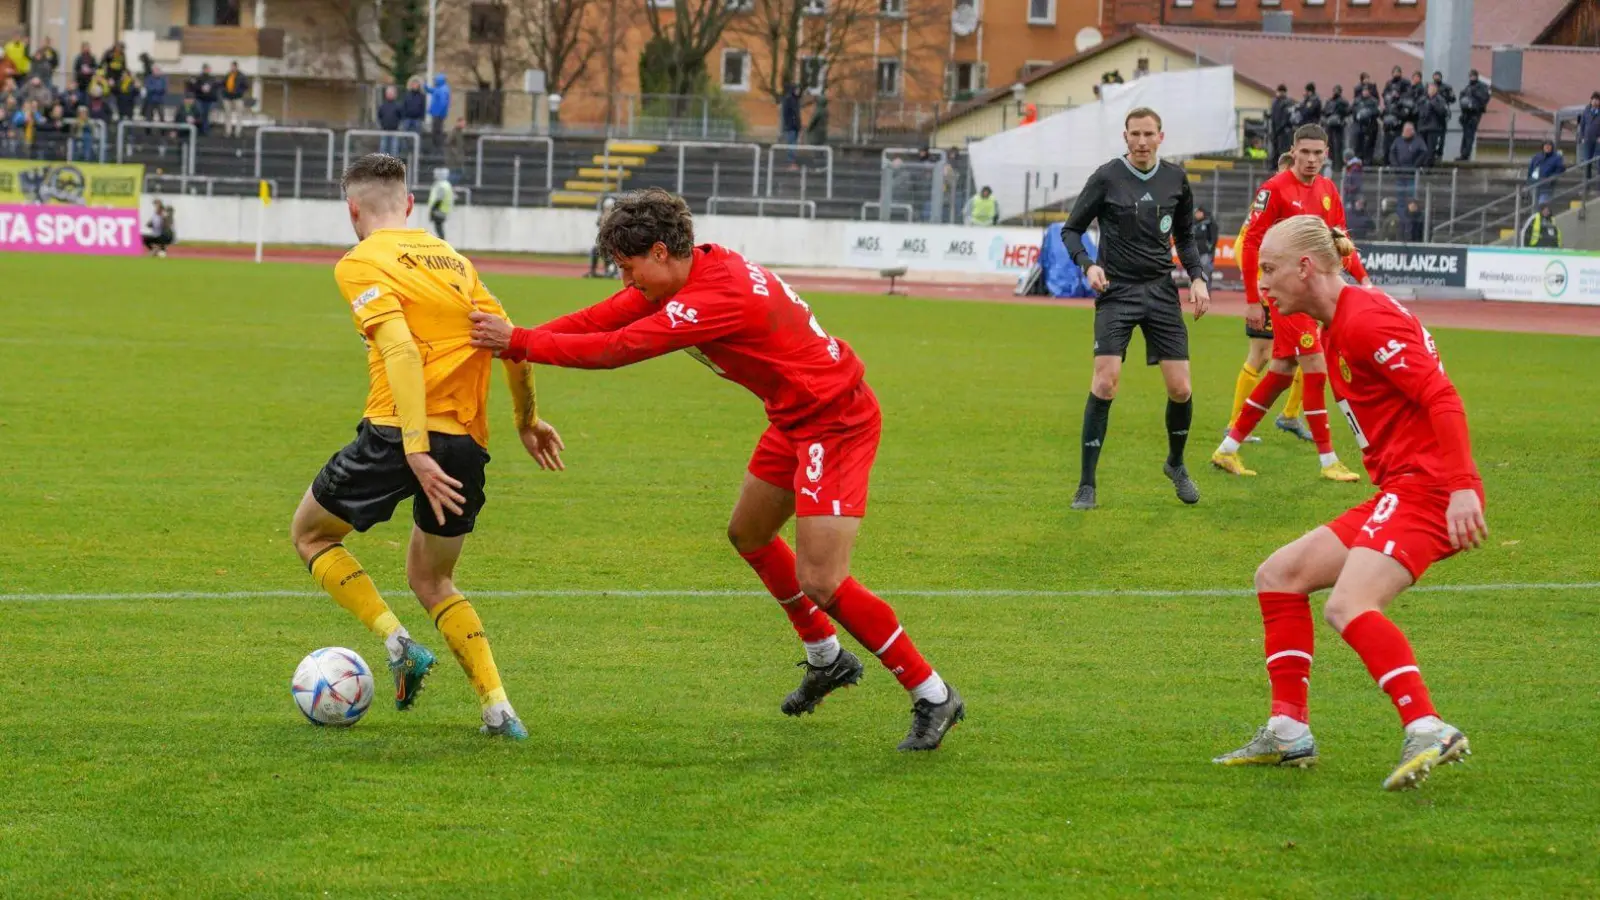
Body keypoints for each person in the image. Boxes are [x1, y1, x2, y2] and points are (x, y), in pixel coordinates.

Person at [467, 189, 965, 751]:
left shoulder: (713, 297)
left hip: (835, 422)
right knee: (749, 533)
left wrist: (521, 342)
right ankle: (826, 657)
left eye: (629, 268)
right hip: (794, 417)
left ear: (660, 252)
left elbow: (618, 347)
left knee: (822, 579)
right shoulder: (692, 271)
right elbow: (603, 317)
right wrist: (517, 342)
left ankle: (932, 693)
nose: (627, 282)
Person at [290, 153, 566, 742]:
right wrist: (527, 420)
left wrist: (413, 446)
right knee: (434, 580)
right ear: (411, 204)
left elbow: (401, 350)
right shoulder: (455, 262)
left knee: (311, 535)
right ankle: (498, 710)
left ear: (353, 210)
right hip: (464, 443)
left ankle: (397, 642)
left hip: (397, 433)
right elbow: (510, 342)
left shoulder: (361, 261)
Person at [1213, 214, 1485, 791]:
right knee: (1279, 575)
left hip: (1429, 488)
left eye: (1269, 269)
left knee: (1348, 604)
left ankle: (1427, 726)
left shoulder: (1363, 320)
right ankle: (1288, 731)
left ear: (1304, 267)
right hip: (1403, 488)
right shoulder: (1337, 319)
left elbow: (1441, 395)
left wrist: (1461, 485)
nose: (1262, 283)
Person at [1060, 107, 1211, 510]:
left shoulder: (1176, 179)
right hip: (1117, 291)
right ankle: (1086, 485)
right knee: (1105, 382)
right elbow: (1071, 230)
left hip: (1161, 292)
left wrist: (1197, 278)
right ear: (1125, 137)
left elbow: (1185, 236)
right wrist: (1088, 265)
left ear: (1161, 136)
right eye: (1135, 134)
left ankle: (1175, 464)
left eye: (1148, 134)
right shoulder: (1107, 176)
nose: (1142, 141)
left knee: (1181, 389)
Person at [1213, 124, 1368, 484]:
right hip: (1284, 294)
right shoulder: (1274, 189)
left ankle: (1227, 448)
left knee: (1281, 371)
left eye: (1318, 153)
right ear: (1293, 151)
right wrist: (1253, 300)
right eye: (1305, 152)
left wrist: (1364, 279)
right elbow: (1251, 242)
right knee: (1315, 364)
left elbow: (1340, 242)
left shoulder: (1328, 190)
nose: (1311, 159)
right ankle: (1328, 460)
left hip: (1311, 294)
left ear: (1326, 154)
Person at [1222, 151, 1309, 448]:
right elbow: (1243, 243)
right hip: (1270, 290)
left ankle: (1290, 415)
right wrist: (1259, 285)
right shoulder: (1270, 198)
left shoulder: (1302, 202)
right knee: (1260, 355)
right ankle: (1235, 424)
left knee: (1308, 351)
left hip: (1293, 290)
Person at [1455, 70, 1490, 162]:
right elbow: (1462, 96)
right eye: (1471, 76)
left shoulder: (1481, 86)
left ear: (1476, 76)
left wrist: (1475, 94)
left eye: (1473, 76)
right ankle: (1463, 153)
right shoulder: (1468, 87)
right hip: (1466, 113)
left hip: (1475, 113)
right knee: (1465, 134)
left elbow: (1485, 98)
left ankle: (1465, 154)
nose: (1472, 78)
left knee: (1470, 134)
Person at [1416, 82, 1449, 163]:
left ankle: (1428, 166)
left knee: (1431, 150)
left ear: (1436, 90)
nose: (1430, 90)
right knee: (1422, 149)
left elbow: (1443, 112)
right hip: (1422, 127)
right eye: (1429, 88)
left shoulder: (1440, 99)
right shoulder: (1423, 99)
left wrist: (1433, 103)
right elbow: (1418, 110)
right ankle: (1421, 164)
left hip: (1433, 128)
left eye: (1432, 88)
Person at [1527, 140, 1565, 206]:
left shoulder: (1557, 158)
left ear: (1552, 147)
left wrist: (1551, 178)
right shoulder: (1536, 157)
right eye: (1546, 145)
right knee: (1535, 206)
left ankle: (1544, 212)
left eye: (1549, 145)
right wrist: (1529, 180)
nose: (1547, 147)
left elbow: (1560, 169)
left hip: (1547, 186)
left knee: (1543, 205)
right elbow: (1530, 169)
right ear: (1543, 147)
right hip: (1534, 184)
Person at [221, 61, 249, 137]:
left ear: (236, 67)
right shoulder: (228, 75)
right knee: (227, 114)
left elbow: (246, 86)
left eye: (234, 66)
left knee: (239, 115)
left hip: (238, 98)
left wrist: (239, 92)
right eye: (231, 66)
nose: (232, 68)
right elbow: (223, 84)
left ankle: (238, 132)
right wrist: (224, 91)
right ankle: (228, 131)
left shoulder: (241, 76)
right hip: (227, 97)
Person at [1322, 85, 1348, 165]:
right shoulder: (1329, 101)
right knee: (1330, 144)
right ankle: (1331, 162)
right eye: (1335, 90)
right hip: (1329, 125)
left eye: (1337, 91)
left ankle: (1338, 164)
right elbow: (1324, 111)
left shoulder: (1343, 102)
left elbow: (1347, 112)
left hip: (1338, 126)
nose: (1335, 92)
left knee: (1338, 145)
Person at [188, 64, 217, 134]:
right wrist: (201, 88)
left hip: (209, 99)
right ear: (203, 69)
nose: (207, 70)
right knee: (200, 114)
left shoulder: (212, 78)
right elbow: (195, 87)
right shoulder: (199, 78)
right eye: (206, 69)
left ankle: (205, 129)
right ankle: (201, 129)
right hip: (200, 99)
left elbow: (214, 88)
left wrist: (210, 91)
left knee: (206, 115)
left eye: (208, 69)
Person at [1576, 92, 1600, 180]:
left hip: (1598, 141)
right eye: (1594, 100)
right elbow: (1582, 125)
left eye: (1597, 100)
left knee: (1598, 162)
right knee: (1587, 161)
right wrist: (1582, 137)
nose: (1595, 102)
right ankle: (1586, 183)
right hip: (1587, 140)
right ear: (1591, 100)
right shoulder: (1586, 111)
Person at [1269, 85, 1295, 161]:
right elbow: (1273, 116)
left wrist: (1279, 129)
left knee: (1283, 150)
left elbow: (1286, 118)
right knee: (1275, 151)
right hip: (1276, 130)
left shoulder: (1288, 102)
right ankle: (1274, 165)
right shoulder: (1275, 102)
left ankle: (1283, 165)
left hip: (1283, 131)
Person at [1192, 205, 1218, 280]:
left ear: (1202, 213)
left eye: (1198, 212)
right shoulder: (1194, 223)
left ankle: (1206, 287)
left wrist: (1209, 248)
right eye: (1195, 213)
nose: (1196, 214)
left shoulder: (1209, 223)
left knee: (1205, 272)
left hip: (1205, 253)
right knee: (1194, 273)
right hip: (1195, 252)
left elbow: (1213, 237)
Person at [779, 82, 802, 165]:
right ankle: (791, 160)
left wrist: (799, 126)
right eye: (797, 89)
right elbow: (786, 114)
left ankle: (792, 160)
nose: (798, 91)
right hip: (791, 125)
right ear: (793, 90)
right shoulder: (789, 99)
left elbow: (797, 114)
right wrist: (787, 124)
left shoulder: (796, 100)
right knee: (791, 143)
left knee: (793, 143)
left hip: (795, 125)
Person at [426, 167, 453, 239]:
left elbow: (439, 198)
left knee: (438, 227)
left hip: (439, 209)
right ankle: (442, 240)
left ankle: (442, 241)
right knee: (439, 227)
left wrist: (433, 209)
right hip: (443, 209)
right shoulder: (446, 184)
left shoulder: (441, 185)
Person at [376, 86, 403, 156]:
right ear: (386, 94)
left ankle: (393, 163)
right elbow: (379, 117)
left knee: (394, 150)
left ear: (395, 95)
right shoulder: (382, 106)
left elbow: (401, 117)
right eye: (388, 93)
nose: (390, 94)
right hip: (384, 131)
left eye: (391, 93)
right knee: (383, 150)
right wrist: (380, 126)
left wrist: (399, 127)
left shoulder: (398, 106)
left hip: (395, 132)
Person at [427, 74, 451, 151]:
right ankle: (436, 147)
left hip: (438, 114)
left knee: (437, 130)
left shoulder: (443, 89)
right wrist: (425, 87)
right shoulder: (439, 88)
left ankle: (438, 148)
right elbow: (431, 91)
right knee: (435, 130)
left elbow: (443, 102)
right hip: (437, 113)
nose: (435, 82)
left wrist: (440, 112)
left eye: (436, 80)